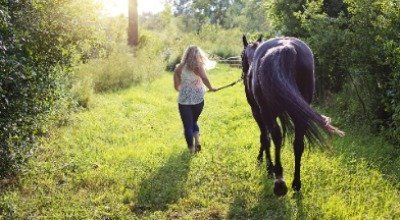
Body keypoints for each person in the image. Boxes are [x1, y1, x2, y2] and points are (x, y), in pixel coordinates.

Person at [173, 45, 217, 154]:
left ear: (186, 54)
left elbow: (176, 87)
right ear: (198, 55)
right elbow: (204, 78)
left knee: (188, 125)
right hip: (198, 99)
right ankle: (197, 141)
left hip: (184, 101)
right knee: (194, 121)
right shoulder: (198, 66)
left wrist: (186, 87)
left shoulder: (178, 68)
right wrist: (211, 88)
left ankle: (191, 150)